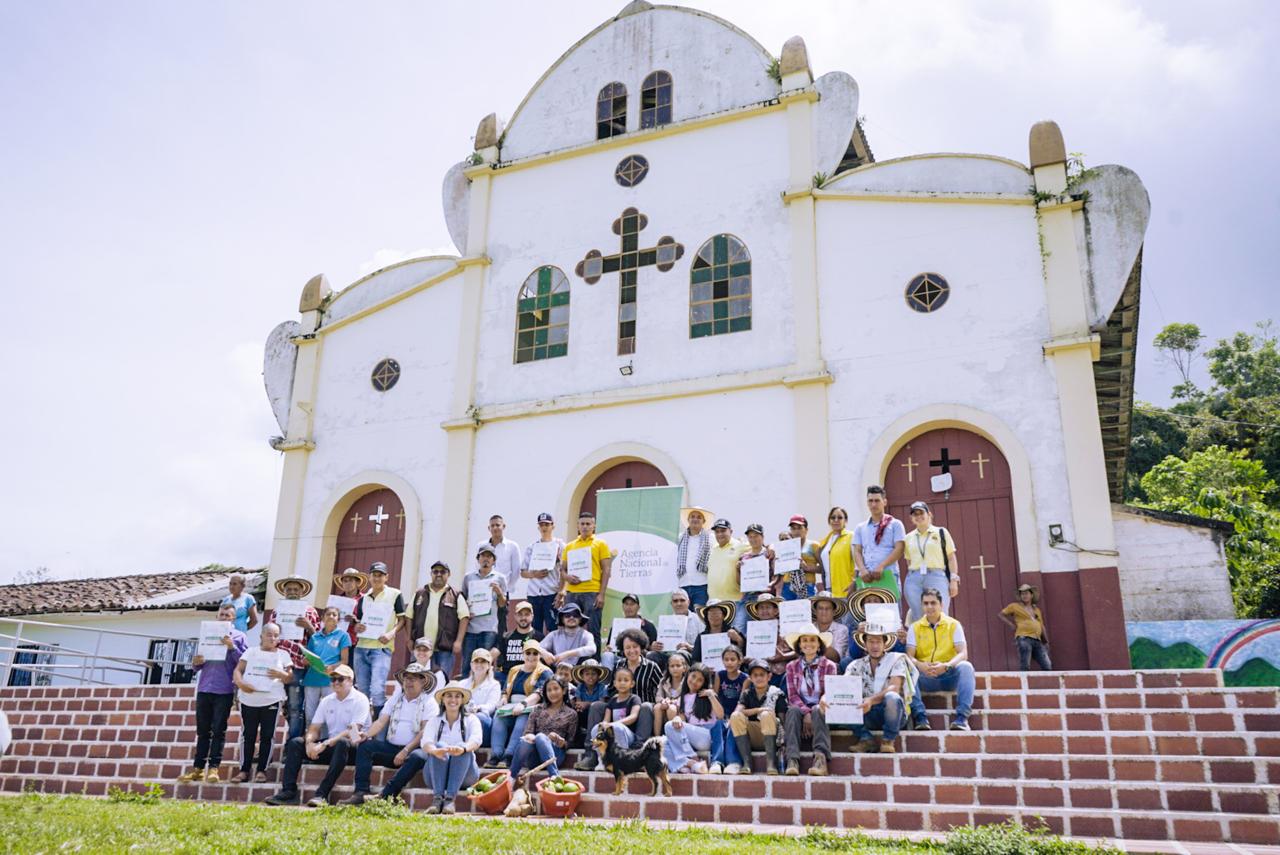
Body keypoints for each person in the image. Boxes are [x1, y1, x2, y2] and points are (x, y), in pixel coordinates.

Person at [265, 664, 370, 806]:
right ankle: (288, 792)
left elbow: (354, 731)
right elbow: (314, 728)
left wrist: (325, 744)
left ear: (351, 681)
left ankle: (322, 795)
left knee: (342, 743)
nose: (336, 683)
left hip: (354, 748)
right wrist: (309, 743)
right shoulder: (327, 700)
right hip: (332, 746)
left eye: (340, 679)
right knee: (295, 743)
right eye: (333, 679)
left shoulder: (360, 699)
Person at [340, 663, 435, 805]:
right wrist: (366, 734)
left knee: (418, 756)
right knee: (366, 746)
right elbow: (380, 722)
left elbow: (424, 731)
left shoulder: (429, 702)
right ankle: (360, 792)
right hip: (392, 748)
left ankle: (387, 795)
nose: (409, 682)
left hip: (413, 750)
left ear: (423, 681)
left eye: (413, 678)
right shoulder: (395, 699)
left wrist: (405, 750)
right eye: (406, 678)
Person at [177, 603, 246, 784]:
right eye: (221, 615)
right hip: (204, 687)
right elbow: (197, 665)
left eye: (227, 615)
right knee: (202, 731)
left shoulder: (239, 637)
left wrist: (231, 647)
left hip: (224, 689)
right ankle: (198, 768)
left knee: (218, 730)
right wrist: (196, 662)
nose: (223, 618)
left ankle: (214, 768)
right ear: (217, 617)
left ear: (234, 618)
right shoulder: (206, 634)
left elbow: (244, 663)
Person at [907, 588, 976, 731]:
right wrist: (920, 665)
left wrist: (947, 665)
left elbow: (963, 653)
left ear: (941, 605)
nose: (930, 607)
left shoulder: (953, 624)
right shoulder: (914, 627)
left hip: (948, 676)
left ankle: (962, 718)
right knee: (906, 669)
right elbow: (909, 656)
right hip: (925, 677)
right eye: (926, 603)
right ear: (922, 605)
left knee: (966, 667)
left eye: (933, 603)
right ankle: (920, 718)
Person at [231, 623, 293, 784]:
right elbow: (238, 670)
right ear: (261, 636)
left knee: (267, 735)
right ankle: (244, 770)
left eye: (276, 635)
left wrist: (282, 674)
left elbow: (290, 677)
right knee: (248, 735)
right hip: (248, 699)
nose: (272, 638)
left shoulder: (283, 654)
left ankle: (262, 770)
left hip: (271, 699)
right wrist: (241, 683)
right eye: (269, 634)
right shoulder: (251, 651)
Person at [265, 575, 321, 739]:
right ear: (284, 591)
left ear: (302, 592)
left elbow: (318, 639)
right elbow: (268, 637)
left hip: (297, 665)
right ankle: (268, 743)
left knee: (296, 706)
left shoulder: (310, 612)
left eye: (296, 589)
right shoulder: (277, 611)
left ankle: (293, 744)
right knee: (274, 705)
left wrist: (308, 626)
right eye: (289, 589)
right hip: (278, 663)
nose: (292, 592)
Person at [843, 623, 912, 754]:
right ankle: (865, 738)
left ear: (885, 644)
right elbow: (844, 689)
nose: (875, 646)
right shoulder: (855, 665)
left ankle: (888, 740)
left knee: (892, 697)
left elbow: (894, 688)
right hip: (867, 714)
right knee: (842, 701)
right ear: (864, 644)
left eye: (878, 641)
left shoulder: (896, 660)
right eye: (870, 641)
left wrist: (870, 700)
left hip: (893, 715)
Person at [353, 562, 411, 716]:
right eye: (374, 575)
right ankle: (363, 731)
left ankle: (378, 735)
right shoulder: (363, 599)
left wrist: (391, 633)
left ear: (386, 577)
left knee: (377, 690)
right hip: (361, 648)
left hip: (381, 648)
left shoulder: (395, 594)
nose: (377, 578)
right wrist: (357, 627)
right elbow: (359, 622)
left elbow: (402, 620)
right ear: (369, 577)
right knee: (362, 692)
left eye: (380, 575)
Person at [421, 681, 484, 814]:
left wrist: (464, 749)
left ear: (462, 700)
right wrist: (435, 751)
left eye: (457, 696)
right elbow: (425, 742)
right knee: (439, 745)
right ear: (443, 699)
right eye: (449, 696)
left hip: (465, 775)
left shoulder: (471, 719)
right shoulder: (435, 720)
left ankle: (450, 800)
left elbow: (476, 740)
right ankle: (437, 799)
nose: (453, 699)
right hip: (436, 776)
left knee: (463, 747)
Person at [487, 640, 552, 768]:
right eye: (528, 653)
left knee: (523, 720)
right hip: (511, 707)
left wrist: (523, 704)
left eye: (535, 653)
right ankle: (496, 755)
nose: (531, 656)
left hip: (532, 708)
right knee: (498, 718)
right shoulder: (514, 670)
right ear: (523, 654)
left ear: (539, 655)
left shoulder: (545, 671)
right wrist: (504, 698)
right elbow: (506, 689)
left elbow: (539, 693)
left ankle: (509, 755)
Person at [782, 623, 836, 776]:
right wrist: (806, 713)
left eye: (813, 640)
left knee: (819, 709)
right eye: (804, 640)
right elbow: (792, 695)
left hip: (822, 707)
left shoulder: (829, 666)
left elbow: (829, 693)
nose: (808, 644)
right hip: (800, 707)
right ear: (799, 645)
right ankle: (792, 759)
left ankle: (820, 759)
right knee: (792, 710)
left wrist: (813, 711)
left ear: (819, 645)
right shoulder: (791, 666)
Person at [558, 511, 614, 645]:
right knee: (570, 630)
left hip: (592, 593)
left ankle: (594, 664)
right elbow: (562, 570)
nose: (585, 527)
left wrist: (601, 594)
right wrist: (567, 577)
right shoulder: (570, 546)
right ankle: (571, 663)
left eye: (588, 524)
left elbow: (606, 569)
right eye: (582, 524)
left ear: (594, 526)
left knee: (593, 629)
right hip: (572, 593)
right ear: (578, 526)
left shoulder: (600, 544)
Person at [509, 675, 578, 781]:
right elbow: (527, 732)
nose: (552, 693)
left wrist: (562, 742)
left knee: (541, 737)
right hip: (534, 757)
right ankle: (511, 778)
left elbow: (572, 741)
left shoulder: (571, 714)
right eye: (549, 690)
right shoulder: (537, 709)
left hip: (555, 755)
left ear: (563, 691)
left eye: (556, 689)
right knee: (529, 740)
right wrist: (530, 736)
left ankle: (554, 776)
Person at [662, 662, 726, 774]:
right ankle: (689, 765)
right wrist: (677, 718)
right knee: (662, 743)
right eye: (693, 676)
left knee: (668, 725)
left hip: (706, 736)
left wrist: (711, 695)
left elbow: (720, 715)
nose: (695, 681)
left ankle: (692, 758)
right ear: (688, 675)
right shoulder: (683, 697)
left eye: (700, 680)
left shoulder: (707, 695)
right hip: (690, 738)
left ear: (704, 683)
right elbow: (682, 717)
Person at [409, 561, 470, 678]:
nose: (439, 574)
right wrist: (409, 639)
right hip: (422, 648)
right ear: (431, 573)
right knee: (418, 679)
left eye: (443, 572)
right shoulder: (419, 593)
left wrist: (458, 641)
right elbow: (409, 616)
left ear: (449, 574)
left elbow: (464, 617)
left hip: (444, 648)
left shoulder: (455, 594)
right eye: (435, 571)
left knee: (442, 681)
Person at [902, 501, 959, 622]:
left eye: (921, 513)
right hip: (914, 579)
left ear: (929, 514)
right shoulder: (908, 538)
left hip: (936, 576)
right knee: (918, 616)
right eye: (915, 514)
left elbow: (951, 557)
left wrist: (953, 580)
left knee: (940, 615)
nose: (918, 516)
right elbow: (909, 561)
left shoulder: (941, 532)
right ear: (911, 518)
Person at [729, 658, 787, 776]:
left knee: (767, 715)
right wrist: (758, 710)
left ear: (769, 676)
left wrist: (785, 742)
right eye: (755, 675)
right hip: (752, 737)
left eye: (762, 675)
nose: (759, 678)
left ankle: (771, 764)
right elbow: (738, 712)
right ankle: (747, 763)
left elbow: (782, 720)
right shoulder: (747, 693)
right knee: (735, 717)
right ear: (750, 678)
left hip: (773, 736)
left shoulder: (776, 693)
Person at [851, 486, 906, 607]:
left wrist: (881, 566)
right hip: (867, 577)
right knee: (869, 615)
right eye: (870, 501)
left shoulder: (895, 524)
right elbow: (857, 551)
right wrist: (862, 569)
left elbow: (900, 548)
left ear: (884, 502)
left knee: (892, 614)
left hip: (888, 575)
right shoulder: (860, 527)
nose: (873, 504)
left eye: (877, 500)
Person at [580, 666, 644, 766]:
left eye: (626, 680)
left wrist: (612, 724)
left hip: (628, 735)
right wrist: (603, 725)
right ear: (614, 683)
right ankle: (602, 760)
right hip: (613, 731)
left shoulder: (634, 698)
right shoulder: (612, 701)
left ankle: (623, 760)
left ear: (632, 684)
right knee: (595, 729)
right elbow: (606, 719)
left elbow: (633, 717)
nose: (622, 683)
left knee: (617, 727)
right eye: (619, 680)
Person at [461, 545, 508, 678]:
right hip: (470, 629)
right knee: (467, 666)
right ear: (478, 559)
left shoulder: (500, 578)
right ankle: (465, 696)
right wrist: (466, 611)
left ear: (494, 560)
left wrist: (499, 593)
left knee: (485, 667)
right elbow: (462, 601)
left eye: (489, 556)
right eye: (483, 556)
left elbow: (503, 605)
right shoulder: (468, 578)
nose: (486, 559)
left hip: (489, 629)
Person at [302, 606, 353, 722]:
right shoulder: (314, 637)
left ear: (338, 619)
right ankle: (311, 739)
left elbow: (345, 660)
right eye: (328, 614)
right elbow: (309, 657)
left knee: (329, 714)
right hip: (312, 679)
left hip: (331, 680)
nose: (331, 617)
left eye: (334, 615)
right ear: (322, 618)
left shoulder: (343, 636)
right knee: (310, 714)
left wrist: (332, 667)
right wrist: (305, 661)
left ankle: (326, 740)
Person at [520, 513, 563, 635]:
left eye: (547, 525)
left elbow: (565, 569)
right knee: (534, 628)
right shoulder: (532, 547)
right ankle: (535, 653)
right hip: (534, 593)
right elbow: (523, 572)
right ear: (538, 527)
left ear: (553, 526)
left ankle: (552, 654)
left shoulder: (560, 545)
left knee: (553, 627)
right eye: (541, 525)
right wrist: (534, 574)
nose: (544, 527)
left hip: (551, 592)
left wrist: (561, 592)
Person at [477, 515, 522, 632]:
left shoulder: (512, 546)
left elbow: (516, 571)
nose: (495, 528)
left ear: (503, 526)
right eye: (492, 526)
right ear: (489, 528)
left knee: (502, 624)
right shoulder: (481, 546)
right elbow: (478, 566)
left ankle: (500, 649)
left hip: (502, 592)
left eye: (498, 525)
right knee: (483, 623)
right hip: (484, 592)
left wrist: (506, 588)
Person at [707, 519, 750, 634]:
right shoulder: (713, 549)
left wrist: (772, 548)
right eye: (717, 531)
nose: (720, 534)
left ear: (731, 531)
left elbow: (760, 547)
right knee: (719, 638)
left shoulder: (740, 545)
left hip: (734, 602)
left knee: (735, 636)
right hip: (715, 604)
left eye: (723, 531)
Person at [745, 592, 796, 690]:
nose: (764, 611)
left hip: (781, 674)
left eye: (768, 607)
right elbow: (749, 653)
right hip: (759, 673)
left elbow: (799, 651)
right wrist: (749, 659)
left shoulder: (786, 628)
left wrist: (784, 657)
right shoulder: (752, 630)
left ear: (776, 610)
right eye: (761, 608)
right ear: (757, 611)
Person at [1000, 584, 1052, 671]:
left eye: (1027, 593)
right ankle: (1024, 683)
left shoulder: (1037, 610)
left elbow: (1041, 626)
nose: (1025, 596)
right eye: (1022, 594)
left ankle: (1049, 684)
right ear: (1020, 596)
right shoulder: (1014, 606)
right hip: (1024, 638)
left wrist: (1046, 641)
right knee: (1025, 664)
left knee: (1047, 665)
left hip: (1037, 640)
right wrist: (1011, 625)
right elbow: (1001, 614)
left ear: (1031, 595)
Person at [647, 588, 703, 668]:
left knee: (681, 654)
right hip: (668, 656)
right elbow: (658, 644)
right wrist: (654, 646)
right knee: (651, 655)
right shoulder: (665, 621)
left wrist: (689, 647)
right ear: (671, 604)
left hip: (690, 656)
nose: (679, 604)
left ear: (688, 602)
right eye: (675, 601)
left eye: (682, 600)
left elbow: (703, 645)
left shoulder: (698, 619)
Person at [713, 645, 748, 773]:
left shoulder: (745, 678)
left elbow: (743, 700)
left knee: (732, 726)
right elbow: (716, 696)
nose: (729, 662)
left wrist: (733, 716)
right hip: (722, 713)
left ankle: (734, 762)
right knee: (717, 725)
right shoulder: (719, 675)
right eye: (726, 659)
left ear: (740, 660)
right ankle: (717, 762)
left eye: (733, 659)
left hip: (737, 714)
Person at [602, 593, 657, 669]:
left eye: (632, 604)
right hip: (620, 659)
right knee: (607, 655)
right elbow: (610, 646)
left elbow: (654, 649)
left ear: (638, 607)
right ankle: (607, 681)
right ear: (622, 607)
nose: (629, 607)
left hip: (641, 660)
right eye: (626, 604)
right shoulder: (617, 625)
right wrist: (608, 649)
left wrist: (652, 647)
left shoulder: (648, 625)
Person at [492, 601, 541, 684]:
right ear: (515, 616)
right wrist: (483, 662)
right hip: (506, 676)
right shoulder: (506, 636)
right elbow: (493, 653)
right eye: (520, 615)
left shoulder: (538, 636)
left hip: (527, 676)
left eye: (526, 614)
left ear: (532, 616)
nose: (523, 618)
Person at [611, 628, 663, 705]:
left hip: (645, 708)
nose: (631, 651)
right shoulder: (618, 665)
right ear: (623, 649)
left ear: (641, 647)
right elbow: (611, 689)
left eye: (635, 647)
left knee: (646, 706)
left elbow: (661, 688)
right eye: (628, 648)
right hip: (623, 708)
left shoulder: (651, 667)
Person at [676, 506, 715, 607]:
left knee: (699, 618)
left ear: (703, 521)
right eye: (692, 516)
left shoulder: (710, 538)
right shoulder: (679, 538)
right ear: (688, 520)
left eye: (699, 517)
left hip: (701, 585)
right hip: (683, 584)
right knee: (683, 618)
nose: (695, 519)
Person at [813, 507, 854, 603]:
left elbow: (858, 562)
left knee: (847, 618)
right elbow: (824, 567)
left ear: (846, 520)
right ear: (829, 521)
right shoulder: (825, 542)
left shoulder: (851, 537)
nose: (836, 520)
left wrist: (855, 582)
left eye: (840, 518)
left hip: (847, 589)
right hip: (829, 589)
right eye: (833, 517)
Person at [774, 515, 819, 600]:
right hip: (787, 585)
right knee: (788, 612)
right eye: (793, 528)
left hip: (807, 585)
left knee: (805, 612)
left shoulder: (814, 545)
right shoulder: (786, 545)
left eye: (799, 528)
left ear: (806, 529)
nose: (796, 531)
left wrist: (807, 568)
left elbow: (823, 568)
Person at [463, 649, 503, 745]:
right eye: (476, 661)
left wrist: (478, 708)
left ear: (489, 665)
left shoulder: (494, 685)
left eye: (483, 662)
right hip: (463, 719)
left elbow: (491, 706)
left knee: (479, 717)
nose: (479, 665)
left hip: (483, 722)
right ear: (471, 665)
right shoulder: (462, 684)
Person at [540, 602, 597, 667]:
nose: (571, 617)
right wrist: (545, 653)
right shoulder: (554, 634)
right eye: (567, 615)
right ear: (562, 619)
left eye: (575, 615)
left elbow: (592, 649)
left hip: (577, 672)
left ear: (580, 619)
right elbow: (537, 647)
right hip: (557, 671)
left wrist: (566, 654)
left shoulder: (586, 635)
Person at [570, 659, 610, 744]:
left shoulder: (602, 687)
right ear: (582, 676)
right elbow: (578, 703)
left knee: (594, 708)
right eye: (587, 674)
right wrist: (580, 706)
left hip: (598, 715)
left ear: (598, 676)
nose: (590, 677)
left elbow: (601, 703)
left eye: (593, 674)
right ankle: (574, 740)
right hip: (584, 713)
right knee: (574, 713)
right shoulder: (580, 687)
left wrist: (587, 704)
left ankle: (590, 741)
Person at [652, 650, 690, 736]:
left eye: (678, 666)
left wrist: (674, 702)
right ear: (668, 668)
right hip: (665, 709)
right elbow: (658, 696)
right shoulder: (664, 681)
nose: (675, 668)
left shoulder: (687, 682)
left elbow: (687, 697)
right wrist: (663, 701)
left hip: (680, 712)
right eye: (672, 666)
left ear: (684, 668)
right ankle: (657, 737)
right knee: (657, 707)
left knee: (671, 708)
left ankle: (674, 736)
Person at [811, 592, 851, 665]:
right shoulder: (810, 627)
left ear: (834, 611)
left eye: (828, 608)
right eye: (820, 608)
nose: (824, 612)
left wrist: (814, 640)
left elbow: (837, 657)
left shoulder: (841, 629)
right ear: (815, 611)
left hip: (834, 669)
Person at [333, 568, 367, 647]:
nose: (347, 583)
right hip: (337, 642)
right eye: (345, 581)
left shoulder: (365, 600)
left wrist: (356, 621)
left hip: (357, 643)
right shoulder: (336, 601)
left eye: (351, 580)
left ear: (357, 582)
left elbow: (369, 622)